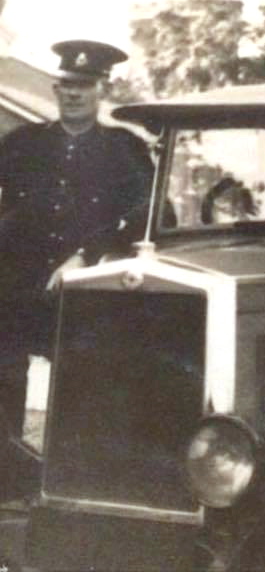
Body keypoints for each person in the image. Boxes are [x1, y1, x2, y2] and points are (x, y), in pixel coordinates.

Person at [0, 40, 154, 436]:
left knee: (81, 386)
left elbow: (150, 213)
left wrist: (89, 254)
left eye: (83, 85)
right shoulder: (21, 145)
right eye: (65, 84)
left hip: (85, 288)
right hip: (16, 283)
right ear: (55, 88)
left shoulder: (125, 150)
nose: (72, 93)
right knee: (4, 380)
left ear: (101, 89)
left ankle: (67, 480)